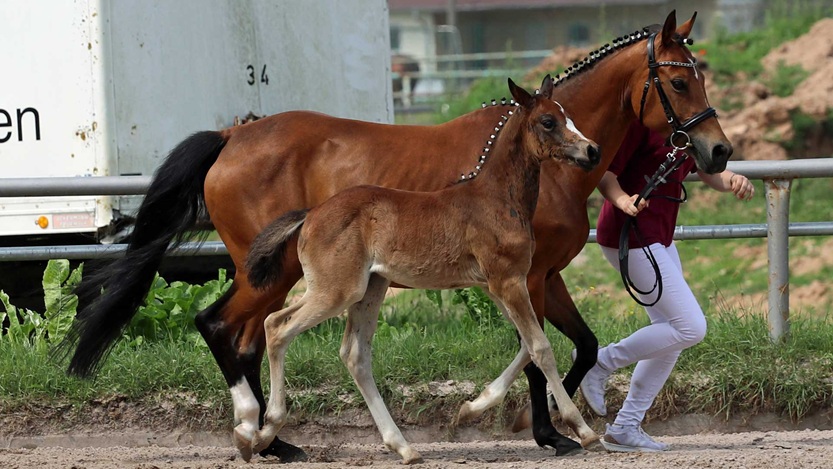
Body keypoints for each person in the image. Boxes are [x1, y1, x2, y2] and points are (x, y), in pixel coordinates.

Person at [577, 121, 755, 452]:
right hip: (628, 235)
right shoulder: (640, 127)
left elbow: (706, 171)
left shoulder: (690, 129)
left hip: (658, 238)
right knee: (691, 327)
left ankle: (626, 427)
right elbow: (605, 174)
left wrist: (733, 179)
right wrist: (622, 201)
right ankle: (598, 363)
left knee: (671, 333)